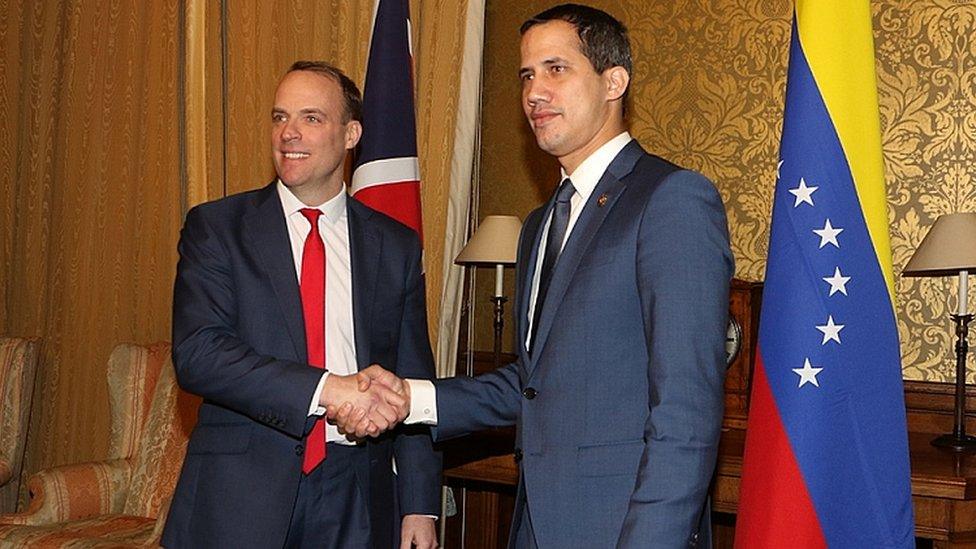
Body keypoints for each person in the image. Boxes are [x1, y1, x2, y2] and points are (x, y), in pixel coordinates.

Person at [333, 4, 734, 548]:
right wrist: (411, 399)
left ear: (614, 81)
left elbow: (686, 409)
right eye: (527, 75)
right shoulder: (541, 223)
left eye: (556, 69)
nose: (534, 93)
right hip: (535, 524)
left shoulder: (671, 200)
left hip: (624, 530)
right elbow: (533, 382)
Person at [161, 61, 441, 549]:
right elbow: (199, 355)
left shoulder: (394, 246)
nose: (288, 132)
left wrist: (419, 502)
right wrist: (327, 389)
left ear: (351, 133)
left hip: (356, 492)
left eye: (311, 118)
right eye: (279, 117)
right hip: (240, 495)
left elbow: (413, 376)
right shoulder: (218, 228)